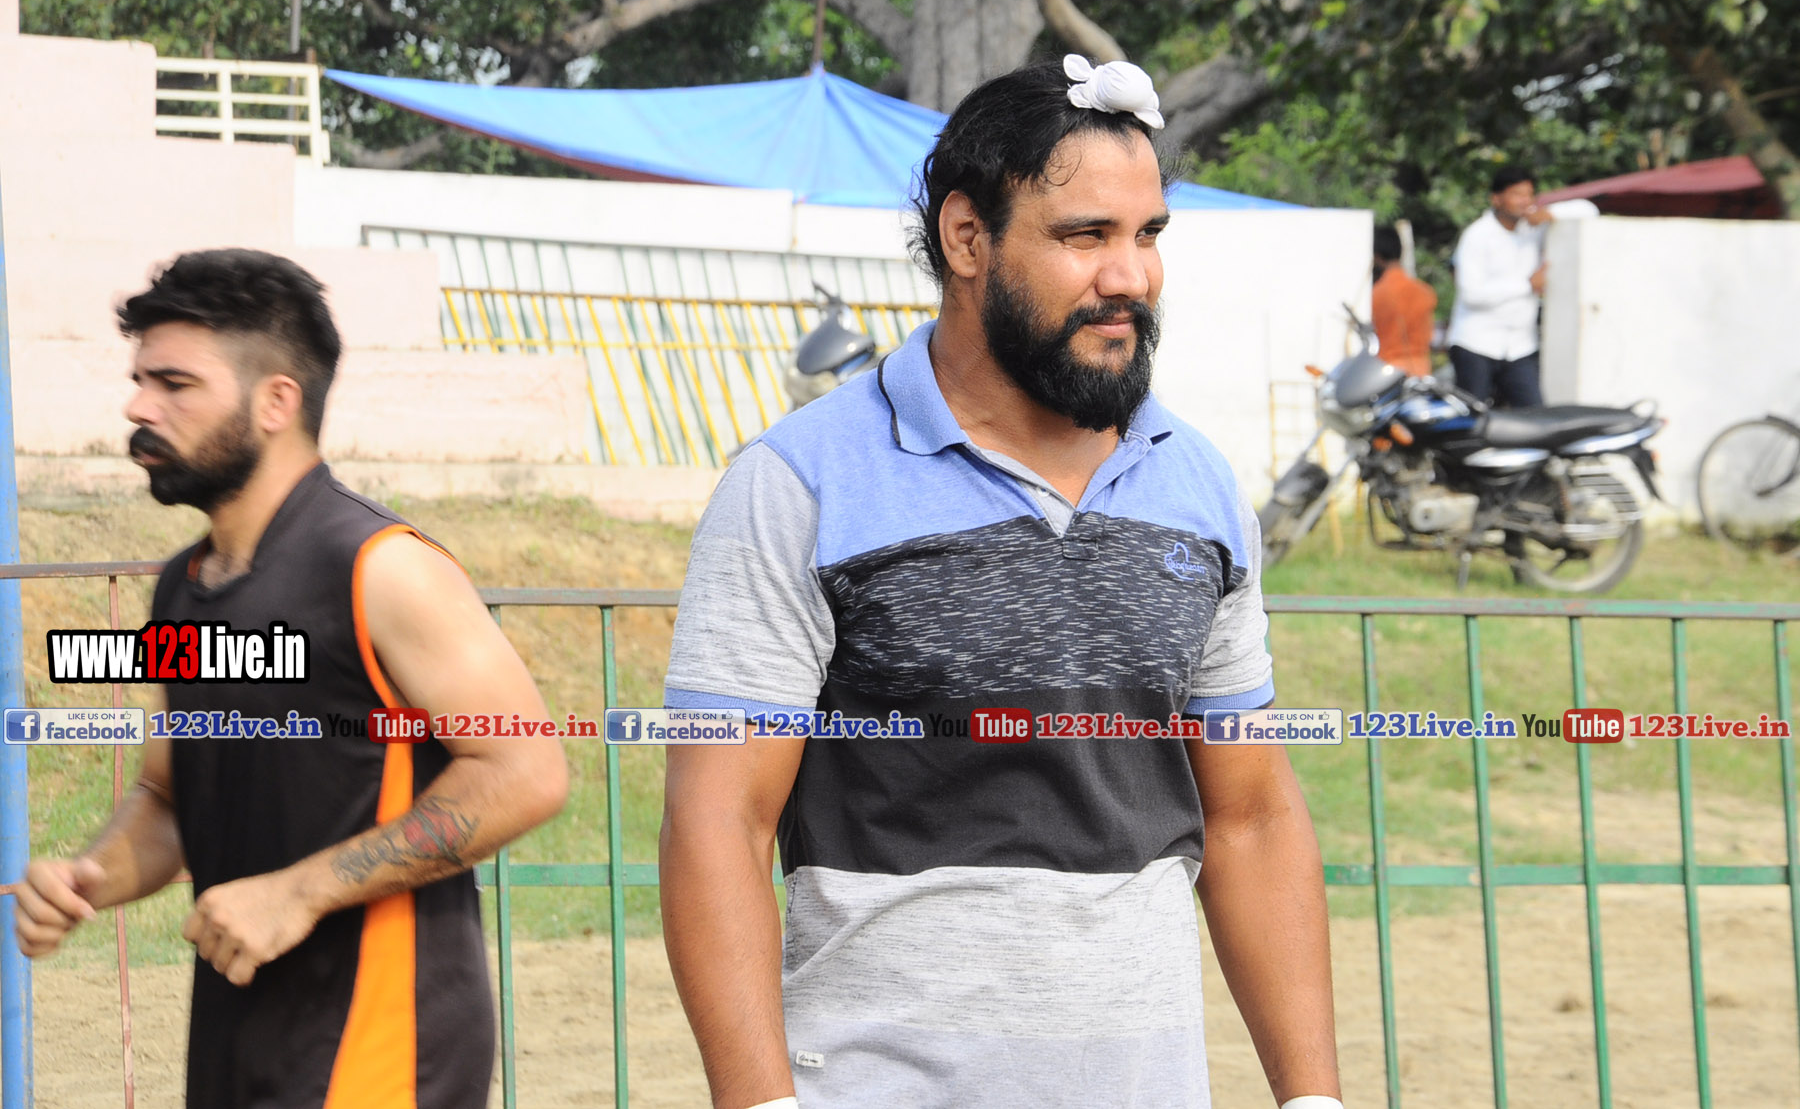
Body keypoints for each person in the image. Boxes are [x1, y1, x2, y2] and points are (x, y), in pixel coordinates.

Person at [659, 57, 1340, 1109]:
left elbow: (1251, 818)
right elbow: (719, 823)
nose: (1131, 275)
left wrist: (1315, 1098)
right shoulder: (801, 482)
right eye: (1086, 236)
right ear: (967, 237)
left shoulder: (1199, 486)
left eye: (1148, 234)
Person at [12, 249, 569, 1108]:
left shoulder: (384, 568)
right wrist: (89, 877)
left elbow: (526, 771)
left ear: (276, 401)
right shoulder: (181, 587)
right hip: (237, 1039)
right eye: (139, 381)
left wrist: (302, 892)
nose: (139, 407)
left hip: (378, 1050)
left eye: (174, 384)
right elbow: (168, 799)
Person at [1446, 165, 1598, 407]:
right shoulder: (1477, 235)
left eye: (1529, 194)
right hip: (1476, 343)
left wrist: (1551, 213)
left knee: (1534, 416)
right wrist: (1527, 285)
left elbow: (1589, 210)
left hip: (1520, 346)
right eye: (1517, 194)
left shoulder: (1534, 228)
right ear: (1496, 199)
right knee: (1471, 417)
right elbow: (1472, 294)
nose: (1525, 201)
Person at [1370, 226, 1437, 377]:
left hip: (1386, 371)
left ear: (1376, 256)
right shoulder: (1425, 292)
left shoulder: (1376, 294)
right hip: (1421, 370)